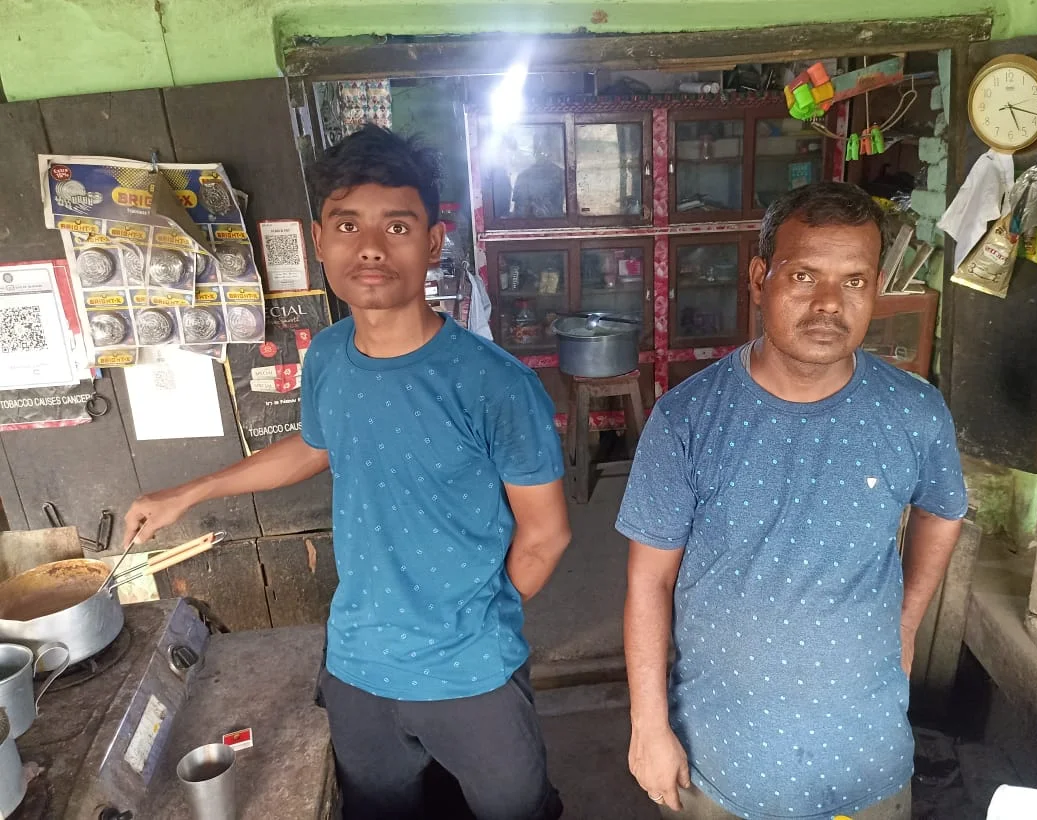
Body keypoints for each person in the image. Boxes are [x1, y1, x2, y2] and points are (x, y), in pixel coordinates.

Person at [123, 125, 571, 820]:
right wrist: (191, 490)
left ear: (433, 241)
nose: (370, 246)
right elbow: (316, 446)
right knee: (379, 808)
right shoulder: (329, 356)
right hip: (358, 666)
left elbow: (546, 535)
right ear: (319, 240)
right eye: (347, 224)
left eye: (398, 226)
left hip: (470, 672)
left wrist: (473, 617)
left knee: (514, 811)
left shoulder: (495, 384)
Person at [617, 182, 967, 820]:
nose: (829, 303)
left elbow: (943, 512)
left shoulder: (915, 411)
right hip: (719, 764)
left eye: (854, 281)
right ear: (760, 279)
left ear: (876, 287)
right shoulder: (686, 419)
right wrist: (648, 726)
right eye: (805, 275)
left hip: (868, 763)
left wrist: (905, 623)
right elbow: (649, 580)